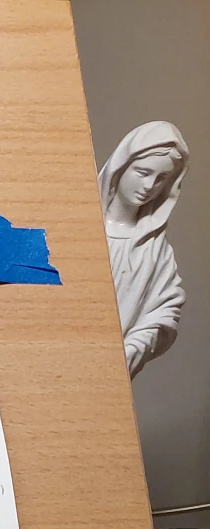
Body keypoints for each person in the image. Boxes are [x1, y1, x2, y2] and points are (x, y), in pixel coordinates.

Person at [99, 121, 189, 379]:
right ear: (121, 167)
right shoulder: (80, 231)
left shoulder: (156, 251)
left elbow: (166, 311)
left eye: (161, 178)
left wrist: (132, 348)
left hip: (114, 369)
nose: (150, 186)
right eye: (143, 172)